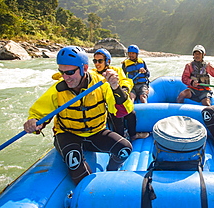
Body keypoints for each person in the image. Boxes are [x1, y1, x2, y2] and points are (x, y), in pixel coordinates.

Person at [23, 46, 133, 185]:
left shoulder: (101, 84)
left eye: (69, 72)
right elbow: (39, 113)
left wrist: (116, 88)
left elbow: (122, 111)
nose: (65, 77)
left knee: (125, 149)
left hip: (95, 132)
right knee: (74, 162)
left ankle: (110, 173)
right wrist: (33, 121)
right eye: (61, 72)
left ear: (84, 68)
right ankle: (89, 195)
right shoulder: (58, 89)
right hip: (68, 134)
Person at [93, 48, 149, 141]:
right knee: (118, 123)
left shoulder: (116, 70)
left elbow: (125, 80)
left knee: (132, 115)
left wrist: (124, 88)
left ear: (108, 61)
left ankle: (133, 135)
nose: (97, 64)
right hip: (111, 106)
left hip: (121, 101)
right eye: (95, 61)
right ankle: (121, 140)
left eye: (100, 61)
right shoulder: (93, 75)